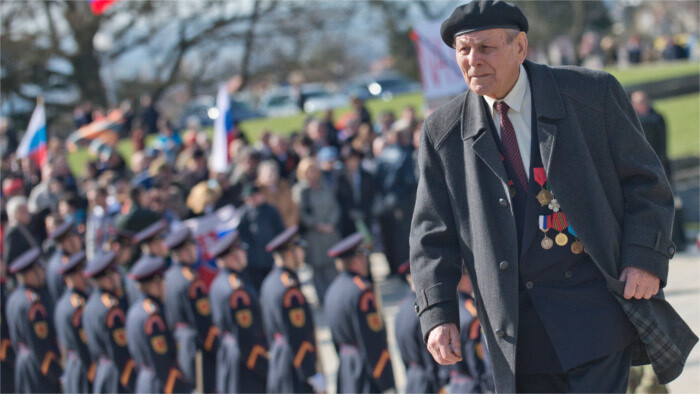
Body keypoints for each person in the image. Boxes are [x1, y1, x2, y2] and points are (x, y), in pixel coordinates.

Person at [409, 2, 696, 393]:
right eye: (463, 50)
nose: (473, 60)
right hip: (518, 334)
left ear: (520, 47)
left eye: (486, 48)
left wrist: (644, 258)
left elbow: (647, 184)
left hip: (597, 318)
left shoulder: (591, 94)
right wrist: (437, 314)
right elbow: (431, 236)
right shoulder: (441, 132)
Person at [324, 233, 395, 393]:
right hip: (365, 370)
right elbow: (373, 340)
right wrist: (384, 380)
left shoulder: (332, 290)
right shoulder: (363, 292)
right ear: (358, 259)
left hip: (346, 365)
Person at [260, 226, 326, 393]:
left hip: (279, 358)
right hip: (294, 366)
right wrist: (310, 373)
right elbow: (297, 334)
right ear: (290, 253)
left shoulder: (270, 282)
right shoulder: (290, 289)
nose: (303, 254)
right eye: (300, 250)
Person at [208, 231, 268, 393]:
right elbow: (246, 336)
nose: (245, 253)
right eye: (241, 250)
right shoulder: (237, 291)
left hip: (230, 356)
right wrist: (264, 367)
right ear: (232, 256)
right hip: (245, 364)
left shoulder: (218, 282)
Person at [163, 227, 219, 393]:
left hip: (180, 343)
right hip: (198, 345)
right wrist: (216, 348)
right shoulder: (191, 280)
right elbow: (203, 322)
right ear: (186, 249)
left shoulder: (168, 276)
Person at [126, 255, 193, 393]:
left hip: (145, 381)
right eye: (163, 282)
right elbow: (161, 360)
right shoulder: (153, 317)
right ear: (155, 284)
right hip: (160, 383)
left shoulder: (135, 310)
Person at [5, 248, 63, 393]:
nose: (43, 273)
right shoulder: (34, 303)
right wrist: (57, 374)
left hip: (23, 364)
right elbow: (40, 345)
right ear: (31, 273)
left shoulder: (13, 298)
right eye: (39, 269)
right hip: (39, 369)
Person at [82, 251, 137, 393]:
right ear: (108, 277)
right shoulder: (112, 310)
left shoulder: (90, 304)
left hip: (102, 371)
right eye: (115, 273)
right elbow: (120, 351)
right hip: (117, 375)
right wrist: (130, 381)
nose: (119, 277)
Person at [292, 157, 341, 304]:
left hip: (329, 232)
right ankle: (322, 296)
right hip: (314, 234)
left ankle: (334, 295)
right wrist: (317, 225)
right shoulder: (300, 190)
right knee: (318, 268)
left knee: (332, 266)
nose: (312, 173)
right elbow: (301, 213)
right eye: (308, 170)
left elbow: (334, 207)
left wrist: (330, 223)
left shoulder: (324, 186)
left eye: (313, 169)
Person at [394, 261, 444, 394]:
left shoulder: (401, 308)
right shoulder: (422, 311)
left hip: (412, 377)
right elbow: (428, 354)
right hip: (427, 381)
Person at [53, 251, 95, 393]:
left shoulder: (62, 303)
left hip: (72, 366)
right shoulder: (78, 306)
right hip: (84, 367)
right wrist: (92, 370)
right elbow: (84, 343)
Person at [450, 266, 495, 393]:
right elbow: (477, 355)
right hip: (473, 384)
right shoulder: (473, 312)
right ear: (462, 277)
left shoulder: (448, 310)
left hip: (455, 383)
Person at [237, 184, 286, 291]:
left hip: (271, 255)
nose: (251, 200)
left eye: (253, 196)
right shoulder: (244, 213)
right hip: (254, 257)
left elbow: (280, 231)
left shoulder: (271, 210)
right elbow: (240, 233)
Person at [46, 219, 83, 302]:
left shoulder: (55, 261)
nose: (79, 241)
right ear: (70, 241)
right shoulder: (67, 265)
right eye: (77, 237)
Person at [3, 196, 39, 264]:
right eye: (23, 211)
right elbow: (11, 258)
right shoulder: (13, 231)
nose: (28, 214)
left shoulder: (24, 226)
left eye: (27, 210)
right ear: (14, 214)